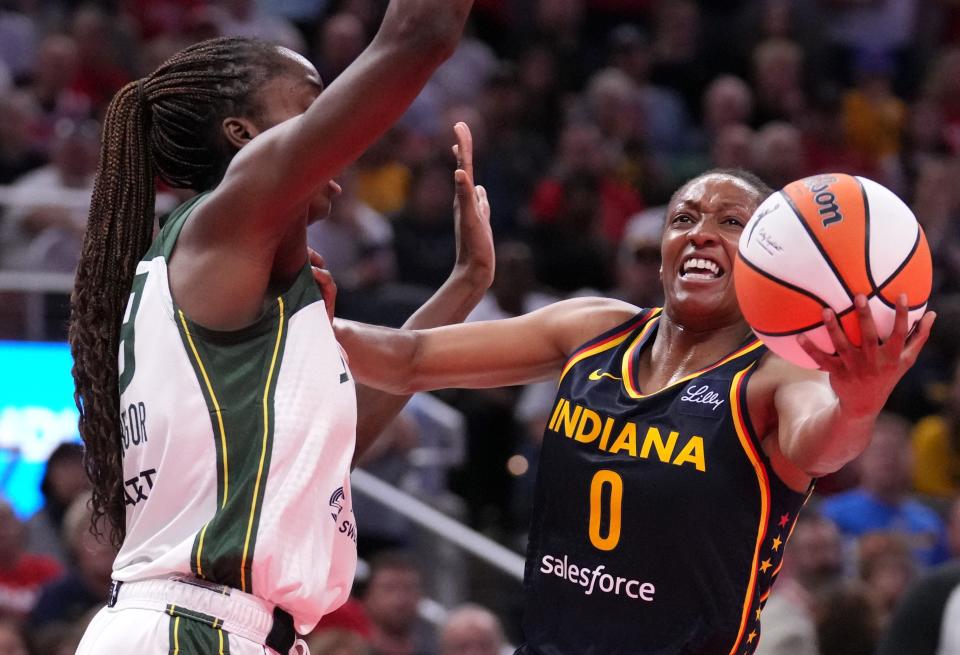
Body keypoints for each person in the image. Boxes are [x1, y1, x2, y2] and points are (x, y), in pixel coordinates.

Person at [333, 169, 935, 653]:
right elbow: (409, 359)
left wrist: (859, 403)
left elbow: (824, 444)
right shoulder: (593, 327)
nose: (700, 232)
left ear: (768, 258)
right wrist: (300, 316)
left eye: (731, 222)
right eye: (683, 218)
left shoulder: (775, 375)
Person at [69, 0, 488, 652]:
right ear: (245, 136)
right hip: (194, 624)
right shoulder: (222, 222)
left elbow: (316, 464)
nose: (335, 130)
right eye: (312, 105)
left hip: (223, 626)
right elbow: (420, 32)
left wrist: (463, 285)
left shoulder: (228, 278)